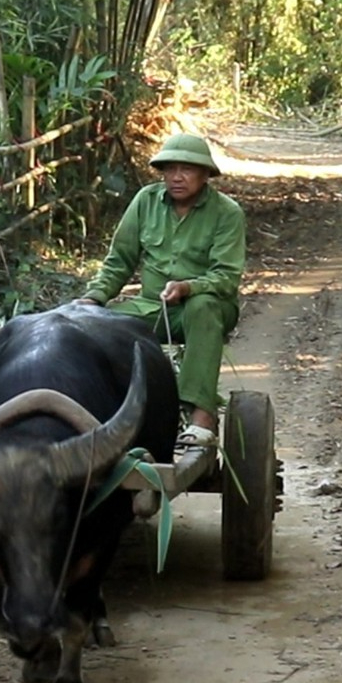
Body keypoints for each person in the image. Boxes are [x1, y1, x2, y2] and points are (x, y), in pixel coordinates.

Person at [74, 132, 245, 450]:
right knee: (95, 326)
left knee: (203, 306)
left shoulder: (227, 213)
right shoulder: (145, 201)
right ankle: (107, 414)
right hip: (150, 307)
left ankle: (201, 416)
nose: (177, 177)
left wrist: (188, 287)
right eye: (170, 169)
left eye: (187, 169)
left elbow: (226, 277)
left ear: (206, 174)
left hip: (204, 309)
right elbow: (119, 261)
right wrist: (93, 299)